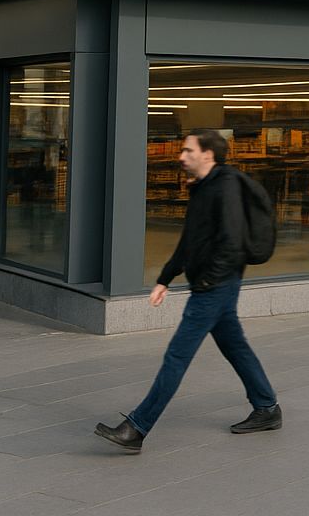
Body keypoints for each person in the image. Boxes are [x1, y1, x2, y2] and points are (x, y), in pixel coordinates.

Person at [95, 131, 280, 452]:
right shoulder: (201, 187)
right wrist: (166, 277)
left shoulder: (225, 187)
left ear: (207, 154)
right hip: (214, 284)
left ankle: (137, 427)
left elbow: (232, 242)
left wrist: (208, 282)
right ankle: (267, 407)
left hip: (215, 286)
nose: (181, 156)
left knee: (177, 356)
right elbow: (190, 239)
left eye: (188, 150)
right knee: (235, 346)